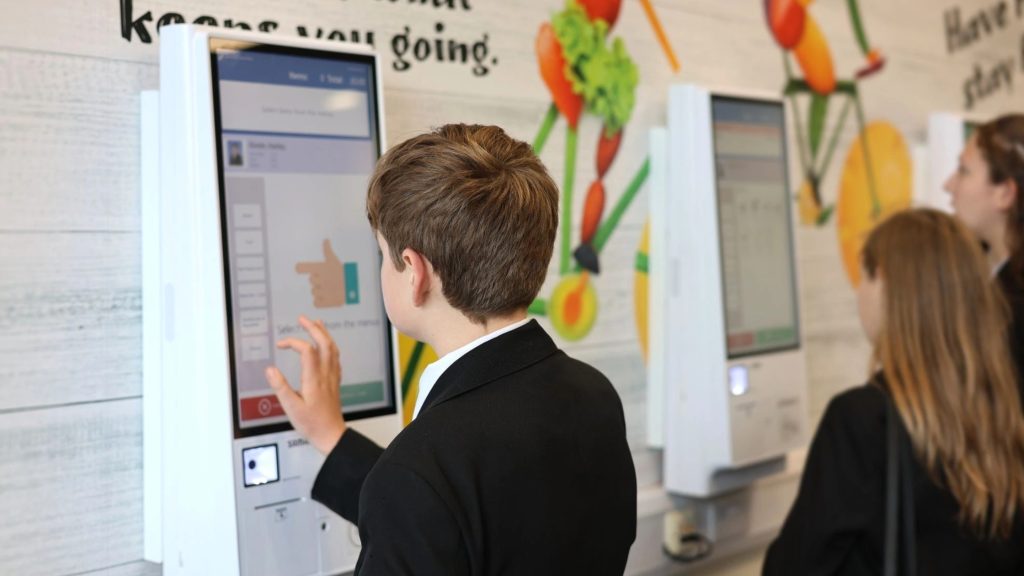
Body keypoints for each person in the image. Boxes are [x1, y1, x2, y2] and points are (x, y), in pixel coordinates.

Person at [264, 124, 638, 575]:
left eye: (382, 254)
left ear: (414, 272)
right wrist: (332, 437)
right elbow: (469, 515)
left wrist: (395, 479)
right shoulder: (593, 395)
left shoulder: (421, 470)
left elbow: (436, 500)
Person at [763, 209, 1024, 575]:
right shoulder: (1001, 408)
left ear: (885, 281)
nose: (859, 293)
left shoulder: (861, 420)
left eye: (864, 277)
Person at [945, 114, 1024, 405]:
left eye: (963, 170)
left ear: (1005, 193)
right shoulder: (979, 278)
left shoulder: (1014, 305)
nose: (947, 184)